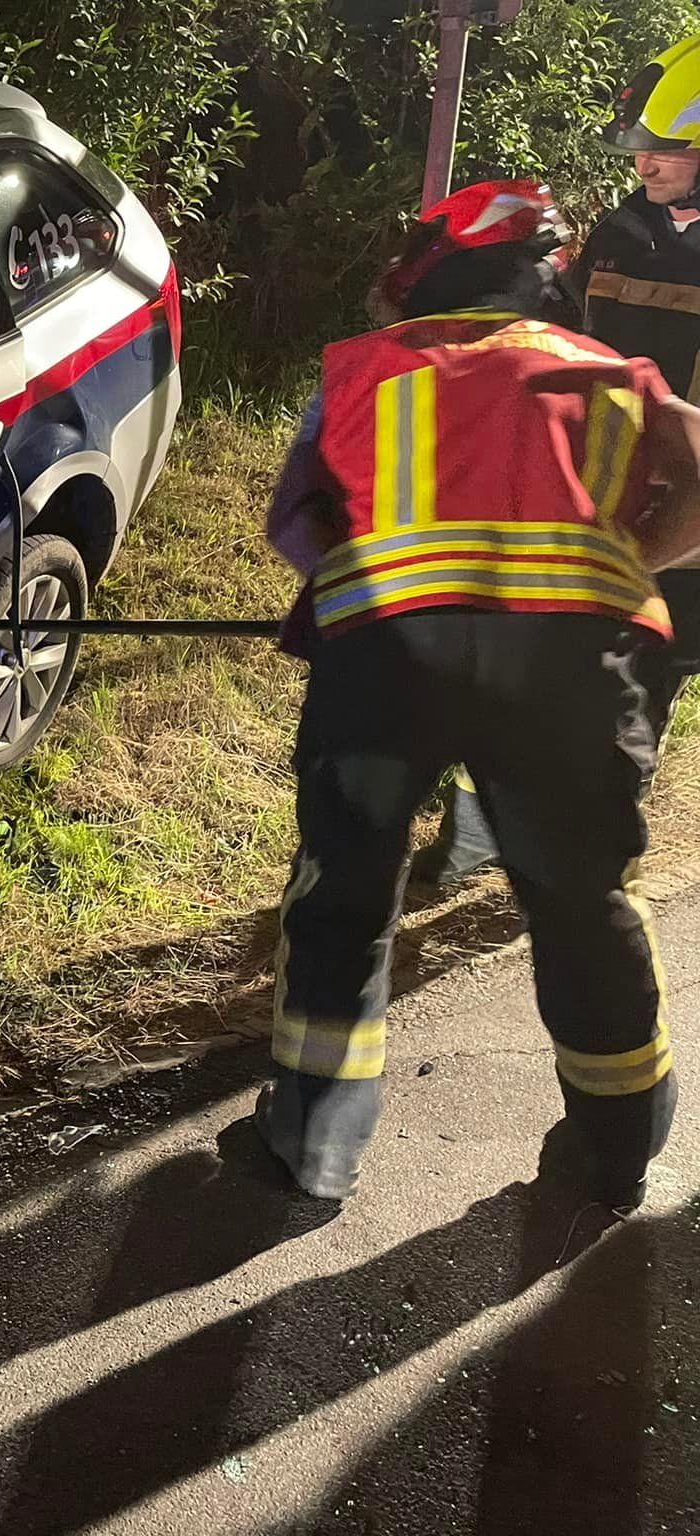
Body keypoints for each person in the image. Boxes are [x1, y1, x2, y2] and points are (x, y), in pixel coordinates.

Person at [258, 180, 700, 1207]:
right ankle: (614, 1151)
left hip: (386, 666)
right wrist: (629, 557)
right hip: (568, 675)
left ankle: (309, 1150)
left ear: (430, 269)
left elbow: (295, 523)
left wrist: (367, 583)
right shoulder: (612, 374)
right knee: (584, 906)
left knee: (344, 897)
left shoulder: (360, 370)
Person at [415, 36, 700, 884]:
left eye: (668, 149)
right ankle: (517, 824)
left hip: (687, 508)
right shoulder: (621, 232)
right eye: (642, 146)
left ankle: (567, 845)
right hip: (593, 493)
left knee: (639, 679)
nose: (646, 161)